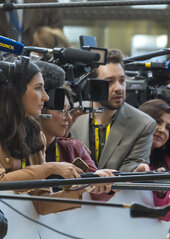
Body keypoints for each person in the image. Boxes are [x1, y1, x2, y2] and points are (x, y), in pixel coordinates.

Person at [0, 57, 90, 214]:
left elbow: (42, 204)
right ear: (16, 92)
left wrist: (83, 189)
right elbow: (2, 183)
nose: (46, 97)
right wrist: (49, 168)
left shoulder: (35, 134)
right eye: (38, 88)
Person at [70, 49, 156, 174]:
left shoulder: (143, 124)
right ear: (92, 85)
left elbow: (132, 166)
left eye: (122, 80)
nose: (119, 88)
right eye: (109, 82)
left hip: (118, 192)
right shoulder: (71, 114)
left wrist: (135, 170)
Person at [37, 62, 113, 199]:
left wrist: (103, 180)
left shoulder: (73, 147)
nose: (68, 117)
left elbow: (96, 194)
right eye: (61, 110)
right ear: (40, 109)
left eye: (69, 111)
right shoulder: (20, 147)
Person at [138, 99, 170, 220]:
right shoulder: (120, 148)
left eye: (168, 128)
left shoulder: (168, 163)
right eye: (158, 122)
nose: (163, 130)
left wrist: (161, 192)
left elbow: (169, 215)